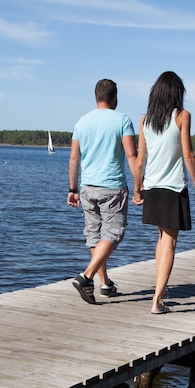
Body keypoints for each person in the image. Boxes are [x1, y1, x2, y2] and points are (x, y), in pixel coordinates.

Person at [132, 71, 195, 314]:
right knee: (170, 243)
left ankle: (160, 293)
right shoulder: (182, 116)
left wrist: (137, 188)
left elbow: (140, 160)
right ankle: (156, 301)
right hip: (173, 188)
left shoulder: (145, 121)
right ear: (177, 93)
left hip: (152, 187)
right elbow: (188, 156)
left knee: (162, 239)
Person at [67, 79, 138, 304]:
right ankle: (87, 276)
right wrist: (139, 186)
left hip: (87, 187)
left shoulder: (82, 122)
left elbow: (73, 158)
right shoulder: (123, 120)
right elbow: (131, 155)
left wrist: (72, 189)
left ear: (96, 96)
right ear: (115, 97)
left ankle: (105, 284)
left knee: (95, 236)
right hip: (112, 186)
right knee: (114, 234)